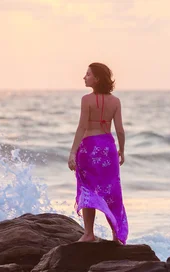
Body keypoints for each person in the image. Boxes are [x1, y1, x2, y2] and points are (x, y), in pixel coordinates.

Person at [68, 62, 128, 244]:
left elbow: (82, 127)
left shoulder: (86, 100)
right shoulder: (115, 101)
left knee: (87, 188)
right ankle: (116, 235)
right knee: (111, 191)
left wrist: (72, 152)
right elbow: (120, 130)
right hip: (108, 148)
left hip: (88, 148)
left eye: (87, 74)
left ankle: (89, 233)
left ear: (97, 78)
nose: (84, 77)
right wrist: (122, 151)